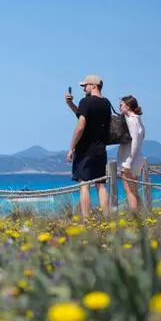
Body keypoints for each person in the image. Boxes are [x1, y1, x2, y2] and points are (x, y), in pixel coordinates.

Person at [64, 74, 111, 219]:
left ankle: (86, 219)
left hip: (85, 149)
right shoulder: (106, 103)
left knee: (84, 185)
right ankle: (107, 218)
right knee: (101, 184)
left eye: (85, 85)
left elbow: (81, 126)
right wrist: (71, 105)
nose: (83, 88)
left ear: (94, 86)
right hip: (101, 149)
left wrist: (71, 147)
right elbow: (84, 115)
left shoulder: (86, 102)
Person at [116, 95, 145, 212]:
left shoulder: (131, 120)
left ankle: (134, 219)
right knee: (134, 191)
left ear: (128, 106)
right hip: (136, 159)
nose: (119, 108)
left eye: (121, 105)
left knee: (130, 192)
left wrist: (127, 163)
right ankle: (142, 215)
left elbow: (134, 143)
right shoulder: (138, 119)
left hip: (129, 160)